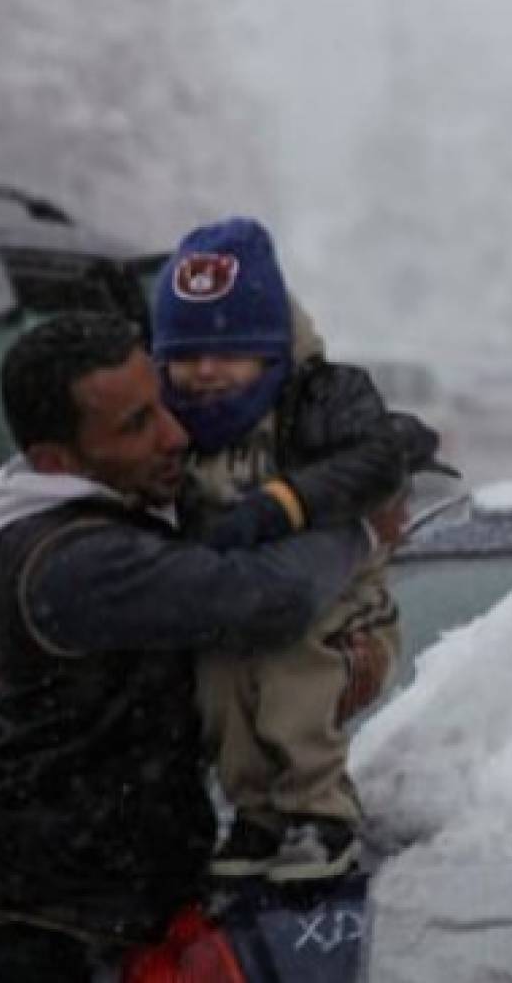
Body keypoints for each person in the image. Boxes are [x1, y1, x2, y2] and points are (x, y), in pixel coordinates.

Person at [0, 312, 404, 980]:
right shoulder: (73, 561)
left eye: (164, 402)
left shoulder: (106, 507)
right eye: (137, 425)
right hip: (18, 938)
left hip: (89, 917)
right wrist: (360, 529)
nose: (176, 434)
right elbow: (266, 599)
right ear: (57, 461)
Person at [151, 216, 432, 882]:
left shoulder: (322, 395)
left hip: (332, 602)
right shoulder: (169, 426)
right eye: (188, 358)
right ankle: (255, 814)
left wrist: (288, 502)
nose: (208, 374)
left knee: (292, 680)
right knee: (221, 690)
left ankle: (319, 810)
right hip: (226, 598)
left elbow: (377, 460)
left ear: (274, 349)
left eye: (230, 354)